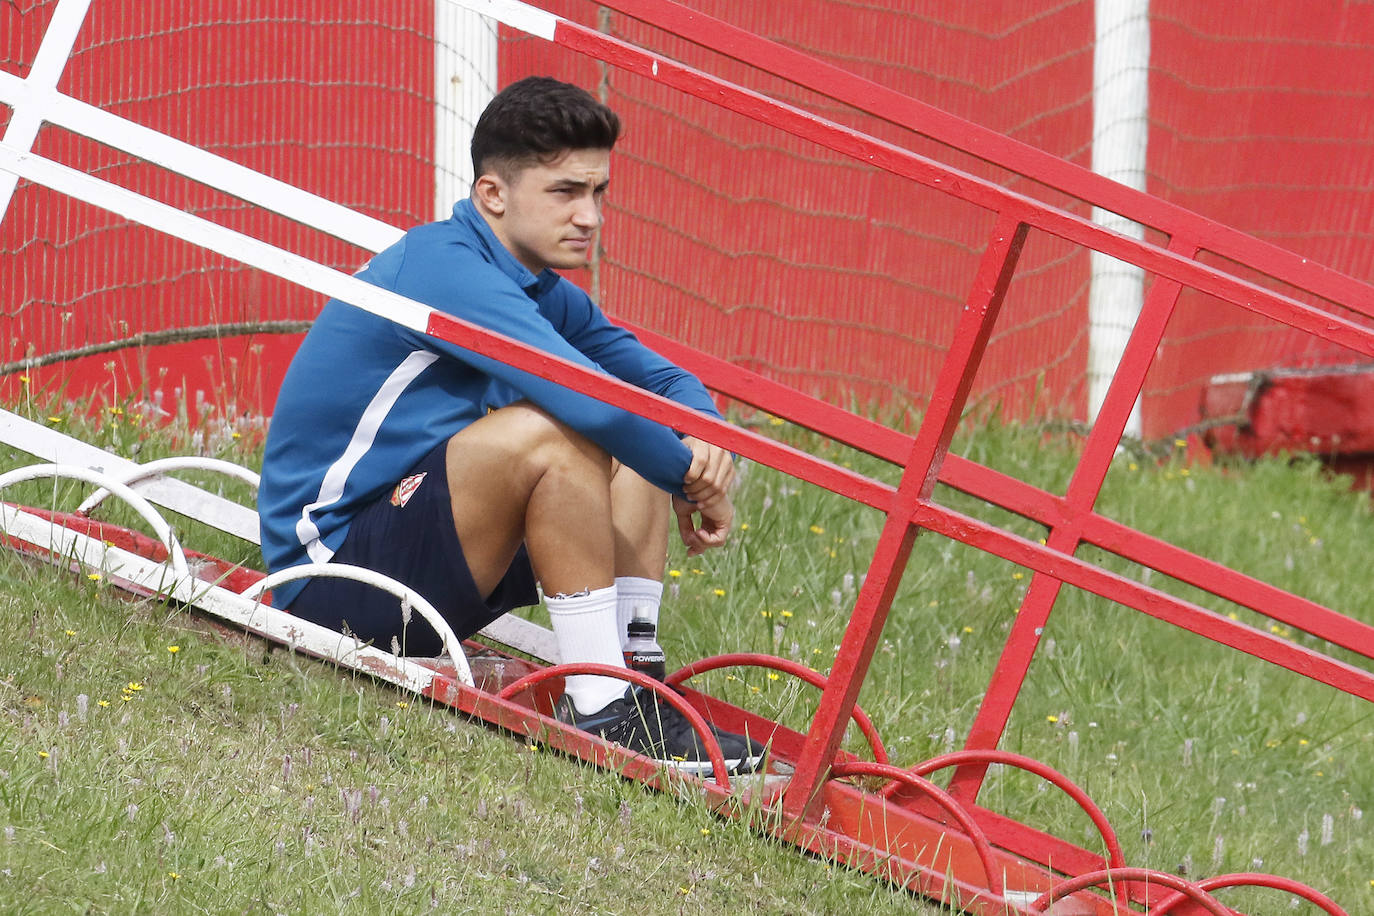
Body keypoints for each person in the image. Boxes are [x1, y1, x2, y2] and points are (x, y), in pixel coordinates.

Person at [257, 76, 762, 775]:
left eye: (598, 192)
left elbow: (663, 382)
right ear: (493, 194)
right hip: (334, 578)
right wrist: (693, 482)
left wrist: (701, 433)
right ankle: (605, 709)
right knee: (557, 431)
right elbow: (595, 407)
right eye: (565, 192)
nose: (590, 216)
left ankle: (636, 684)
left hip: (417, 557)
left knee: (626, 429)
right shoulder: (445, 268)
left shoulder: (538, 287)